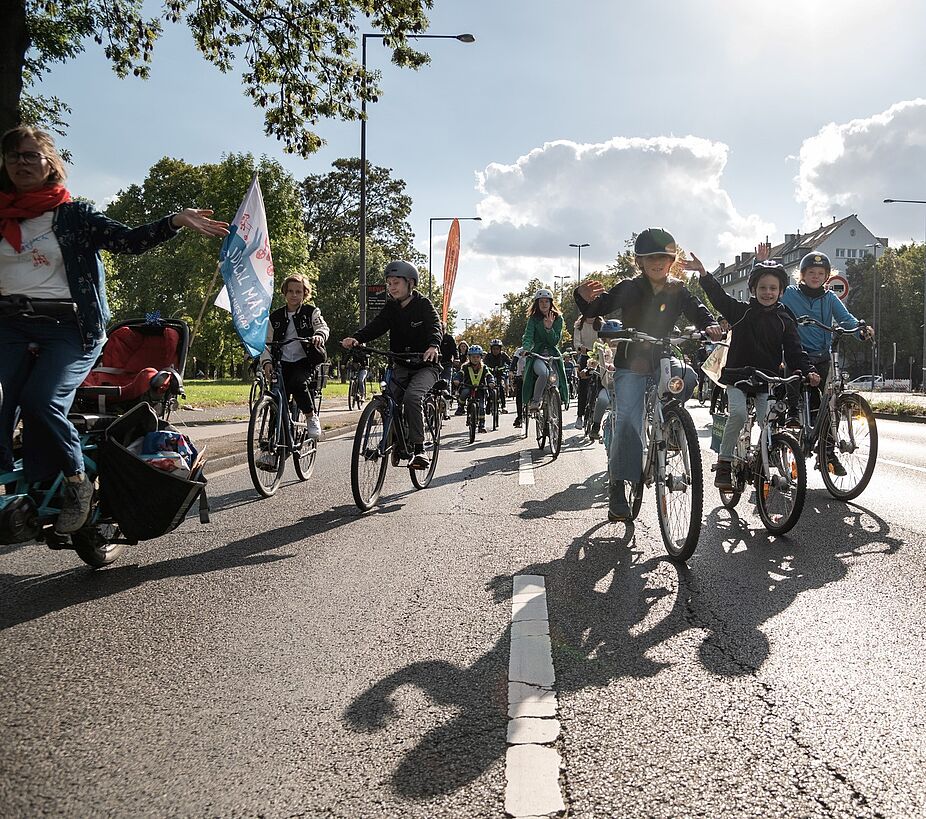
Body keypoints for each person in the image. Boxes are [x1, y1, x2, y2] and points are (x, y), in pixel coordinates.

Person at [0, 126, 228, 533]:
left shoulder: (74, 216)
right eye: (14, 155)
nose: (21, 162)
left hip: (69, 328)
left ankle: (77, 482)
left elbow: (128, 240)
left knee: (41, 401)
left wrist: (174, 220)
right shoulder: (2, 213)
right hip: (11, 326)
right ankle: (18, 497)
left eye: (31, 155)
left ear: (49, 163)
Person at [575, 228, 722, 521]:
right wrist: (580, 297)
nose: (658, 263)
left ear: (671, 261)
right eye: (651, 258)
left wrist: (711, 325)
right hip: (631, 361)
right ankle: (618, 485)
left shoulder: (678, 289)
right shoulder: (628, 286)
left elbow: (699, 310)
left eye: (664, 257)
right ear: (639, 261)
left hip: (663, 357)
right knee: (628, 418)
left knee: (689, 376)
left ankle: (670, 430)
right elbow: (597, 308)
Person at [694, 256, 820, 489]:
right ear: (753, 289)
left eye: (773, 288)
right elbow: (719, 298)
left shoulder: (785, 318)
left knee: (769, 421)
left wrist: (808, 369)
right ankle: (724, 461)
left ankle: (763, 456)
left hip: (767, 380)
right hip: (737, 376)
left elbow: (795, 351)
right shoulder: (740, 311)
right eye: (762, 288)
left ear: (781, 291)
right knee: (739, 414)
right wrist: (704, 274)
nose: (768, 292)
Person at [777, 249, 873, 474]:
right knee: (797, 388)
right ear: (802, 274)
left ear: (827, 276)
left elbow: (845, 319)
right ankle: (791, 416)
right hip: (797, 353)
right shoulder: (790, 293)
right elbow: (768, 291)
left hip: (822, 355)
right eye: (811, 272)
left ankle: (827, 454)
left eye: (821, 273)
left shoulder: (829, 298)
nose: (816, 277)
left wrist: (860, 330)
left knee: (830, 405)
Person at [342, 260, 441, 469]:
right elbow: (377, 326)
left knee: (413, 397)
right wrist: (357, 338)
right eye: (389, 283)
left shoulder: (423, 304)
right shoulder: (391, 307)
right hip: (401, 364)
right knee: (390, 400)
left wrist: (433, 346)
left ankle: (419, 449)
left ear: (410, 283)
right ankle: (392, 441)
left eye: (396, 283)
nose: (391, 287)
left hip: (425, 365)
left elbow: (435, 326)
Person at [260, 274, 328, 443]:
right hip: (281, 363)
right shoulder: (274, 317)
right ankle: (272, 446)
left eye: (298, 291)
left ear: (305, 293)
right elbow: (266, 342)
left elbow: (322, 327)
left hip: (304, 361)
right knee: (276, 398)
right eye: (290, 291)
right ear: (284, 292)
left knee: (298, 383)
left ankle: (311, 417)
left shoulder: (311, 312)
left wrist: (319, 335)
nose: (294, 295)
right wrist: (267, 362)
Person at [522, 288, 569, 415]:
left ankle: (554, 405)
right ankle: (536, 401)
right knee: (544, 373)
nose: (544, 304)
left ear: (551, 303)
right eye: (541, 301)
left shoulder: (558, 319)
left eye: (546, 301)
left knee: (556, 380)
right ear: (537, 304)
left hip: (553, 356)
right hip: (538, 355)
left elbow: (554, 341)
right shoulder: (533, 319)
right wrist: (526, 349)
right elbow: (528, 336)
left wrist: (549, 328)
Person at [455, 344, 495, 433]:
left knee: (481, 406)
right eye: (473, 357)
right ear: (469, 357)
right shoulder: (465, 366)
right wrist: (457, 379)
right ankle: (461, 407)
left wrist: (491, 382)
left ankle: (481, 424)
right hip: (468, 386)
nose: (475, 359)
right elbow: (460, 373)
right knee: (464, 393)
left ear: (481, 358)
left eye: (477, 357)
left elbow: (489, 375)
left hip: (481, 389)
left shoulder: (484, 367)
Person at [484, 339, 511, 413]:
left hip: (500, 374)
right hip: (490, 374)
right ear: (491, 349)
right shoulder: (488, 356)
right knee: (489, 387)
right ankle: (488, 404)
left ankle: (503, 406)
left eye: (497, 349)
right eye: (494, 349)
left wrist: (509, 368)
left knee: (501, 388)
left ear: (500, 349)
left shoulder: (503, 355)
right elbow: (484, 364)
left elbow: (510, 363)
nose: (495, 350)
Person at [510, 346, 526, 427]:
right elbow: (514, 361)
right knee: (519, 396)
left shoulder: (536, 348)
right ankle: (519, 416)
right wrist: (511, 371)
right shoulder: (519, 350)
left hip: (533, 376)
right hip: (521, 376)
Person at [453, 339, 470, 415]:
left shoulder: (469, 354)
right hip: (459, 371)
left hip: (467, 372)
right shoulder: (457, 354)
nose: (463, 347)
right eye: (462, 346)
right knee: (459, 386)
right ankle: (460, 403)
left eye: (464, 346)